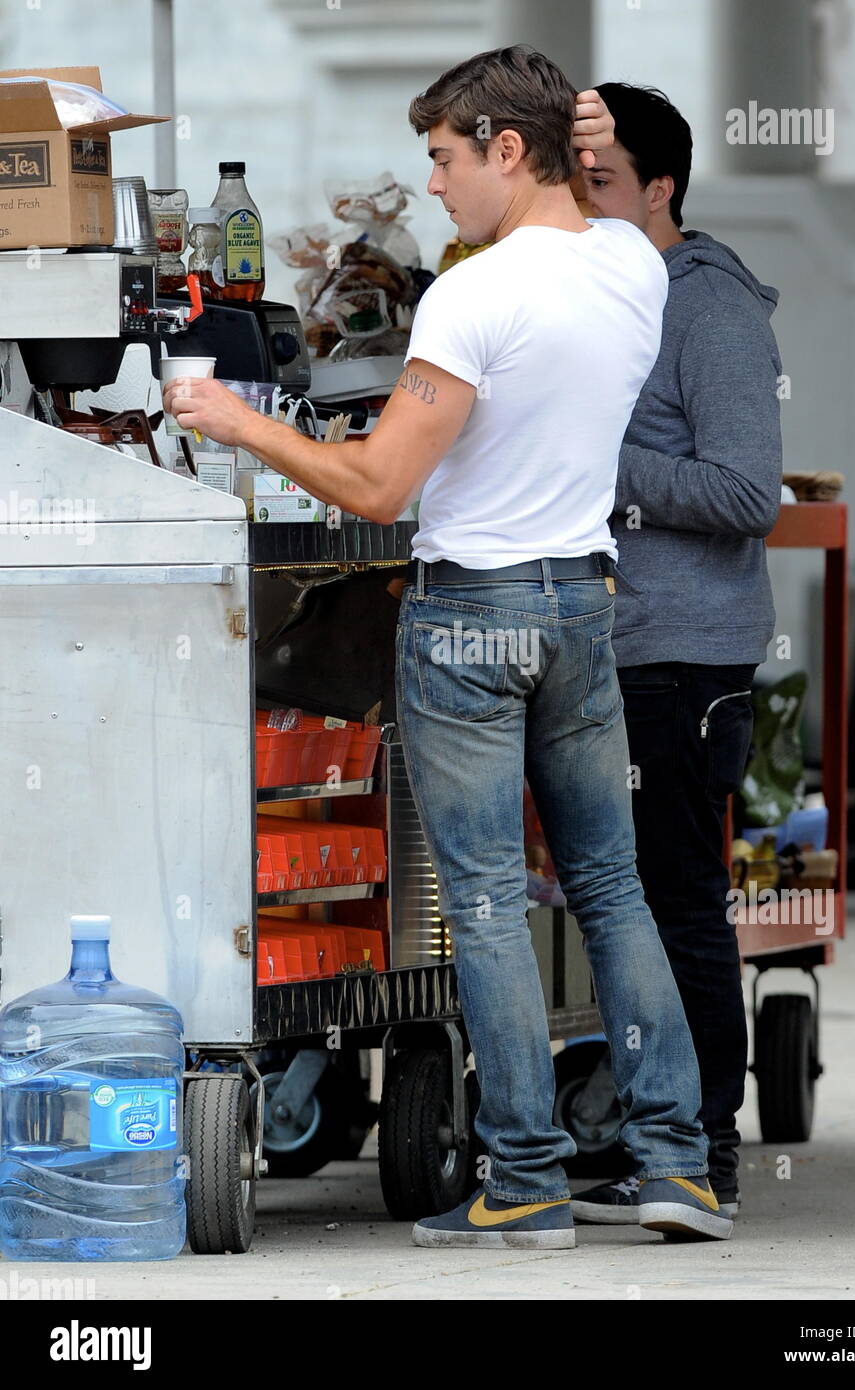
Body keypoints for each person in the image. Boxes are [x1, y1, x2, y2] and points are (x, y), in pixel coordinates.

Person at [164, 46, 732, 1249]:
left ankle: (525, 1177)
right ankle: (679, 1165)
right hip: (584, 605)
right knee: (615, 891)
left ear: (507, 150)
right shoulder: (633, 264)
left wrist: (228, 418)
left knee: (480, 905)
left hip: (472, 616)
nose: (432, 187)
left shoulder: (476, 292)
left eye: (444, 156)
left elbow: (376, 487)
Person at [567, 83, 783, 1226]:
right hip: (611, 645)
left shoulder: (711, 309)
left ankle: (704, 1156)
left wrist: (602, 461)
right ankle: (660, 1143)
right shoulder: (606, 298)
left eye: (603, 184)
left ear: (660, 188)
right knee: (630, 901)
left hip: (684, 661)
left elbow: (749, 492)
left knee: (679, 902)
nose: (585, 204)